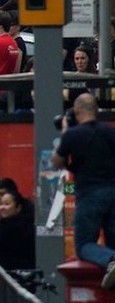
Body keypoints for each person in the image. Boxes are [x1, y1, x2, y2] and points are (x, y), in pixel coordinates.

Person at [51, 93, 115, 288]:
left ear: (76, 111)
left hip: (89, 194)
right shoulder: (110, 132)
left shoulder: (72, 134)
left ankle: (111, 259)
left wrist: (64, 132)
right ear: (96, 111)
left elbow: (57, 162)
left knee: (84, 245)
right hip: (113, 192)